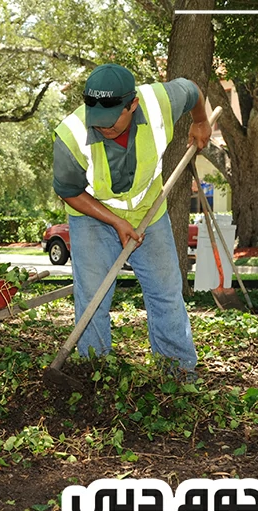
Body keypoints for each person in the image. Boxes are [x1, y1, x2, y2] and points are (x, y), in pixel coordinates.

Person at [50, 63, 211, 383]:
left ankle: (178, 372)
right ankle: (93, 373)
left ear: (132, 104)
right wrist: (116, 222)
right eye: (98, 121)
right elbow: (69, 192)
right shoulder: (70, 135)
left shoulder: (159, 101)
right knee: (93, 298)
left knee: (166, 292)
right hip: (93, 218)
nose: (103, 128)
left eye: (111, 123)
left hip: (150, 213)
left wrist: (201, 120)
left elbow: (192, 89)